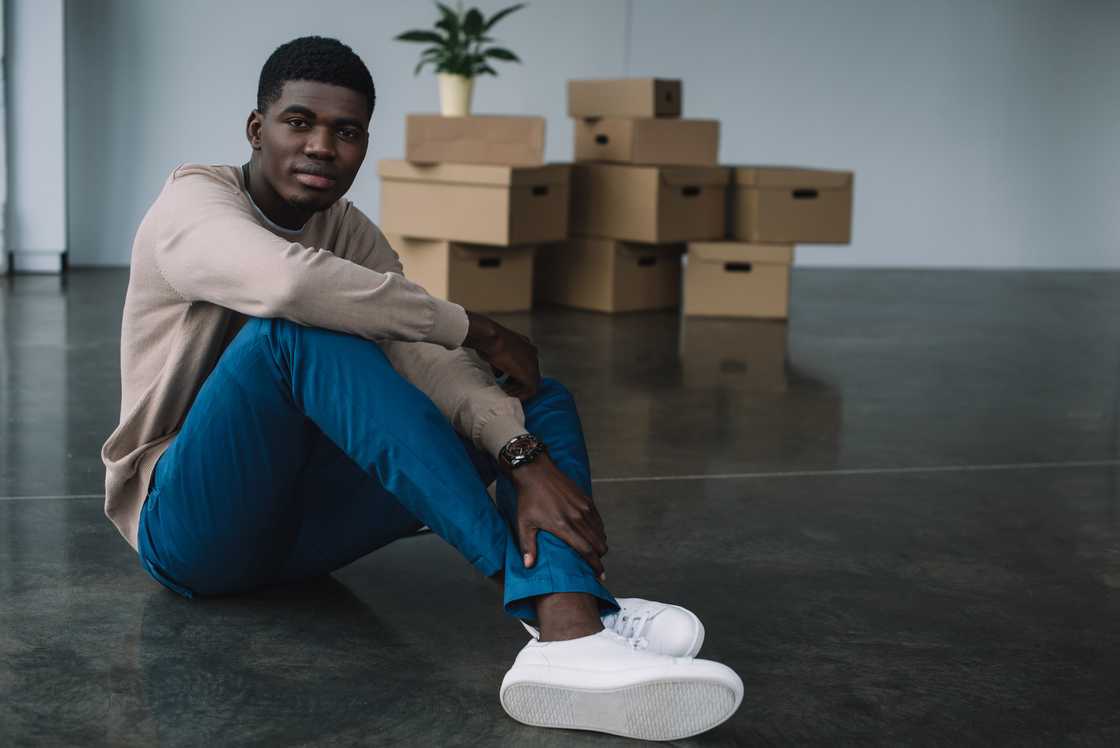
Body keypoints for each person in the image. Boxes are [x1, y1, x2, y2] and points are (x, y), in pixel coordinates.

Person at [100, 35, 742, 741]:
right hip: (190, 529)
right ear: (258, 130)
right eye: (299, 122)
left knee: (531, 398)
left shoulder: (345, 229)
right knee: (293, 334)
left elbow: (421, 352)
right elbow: (289, 283)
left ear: (363, 146)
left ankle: (574, 617)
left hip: (299, 533)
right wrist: (478, 326)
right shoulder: (191, 205)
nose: (321, 146)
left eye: (346, 133)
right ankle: (564, 617)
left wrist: (521, 453)